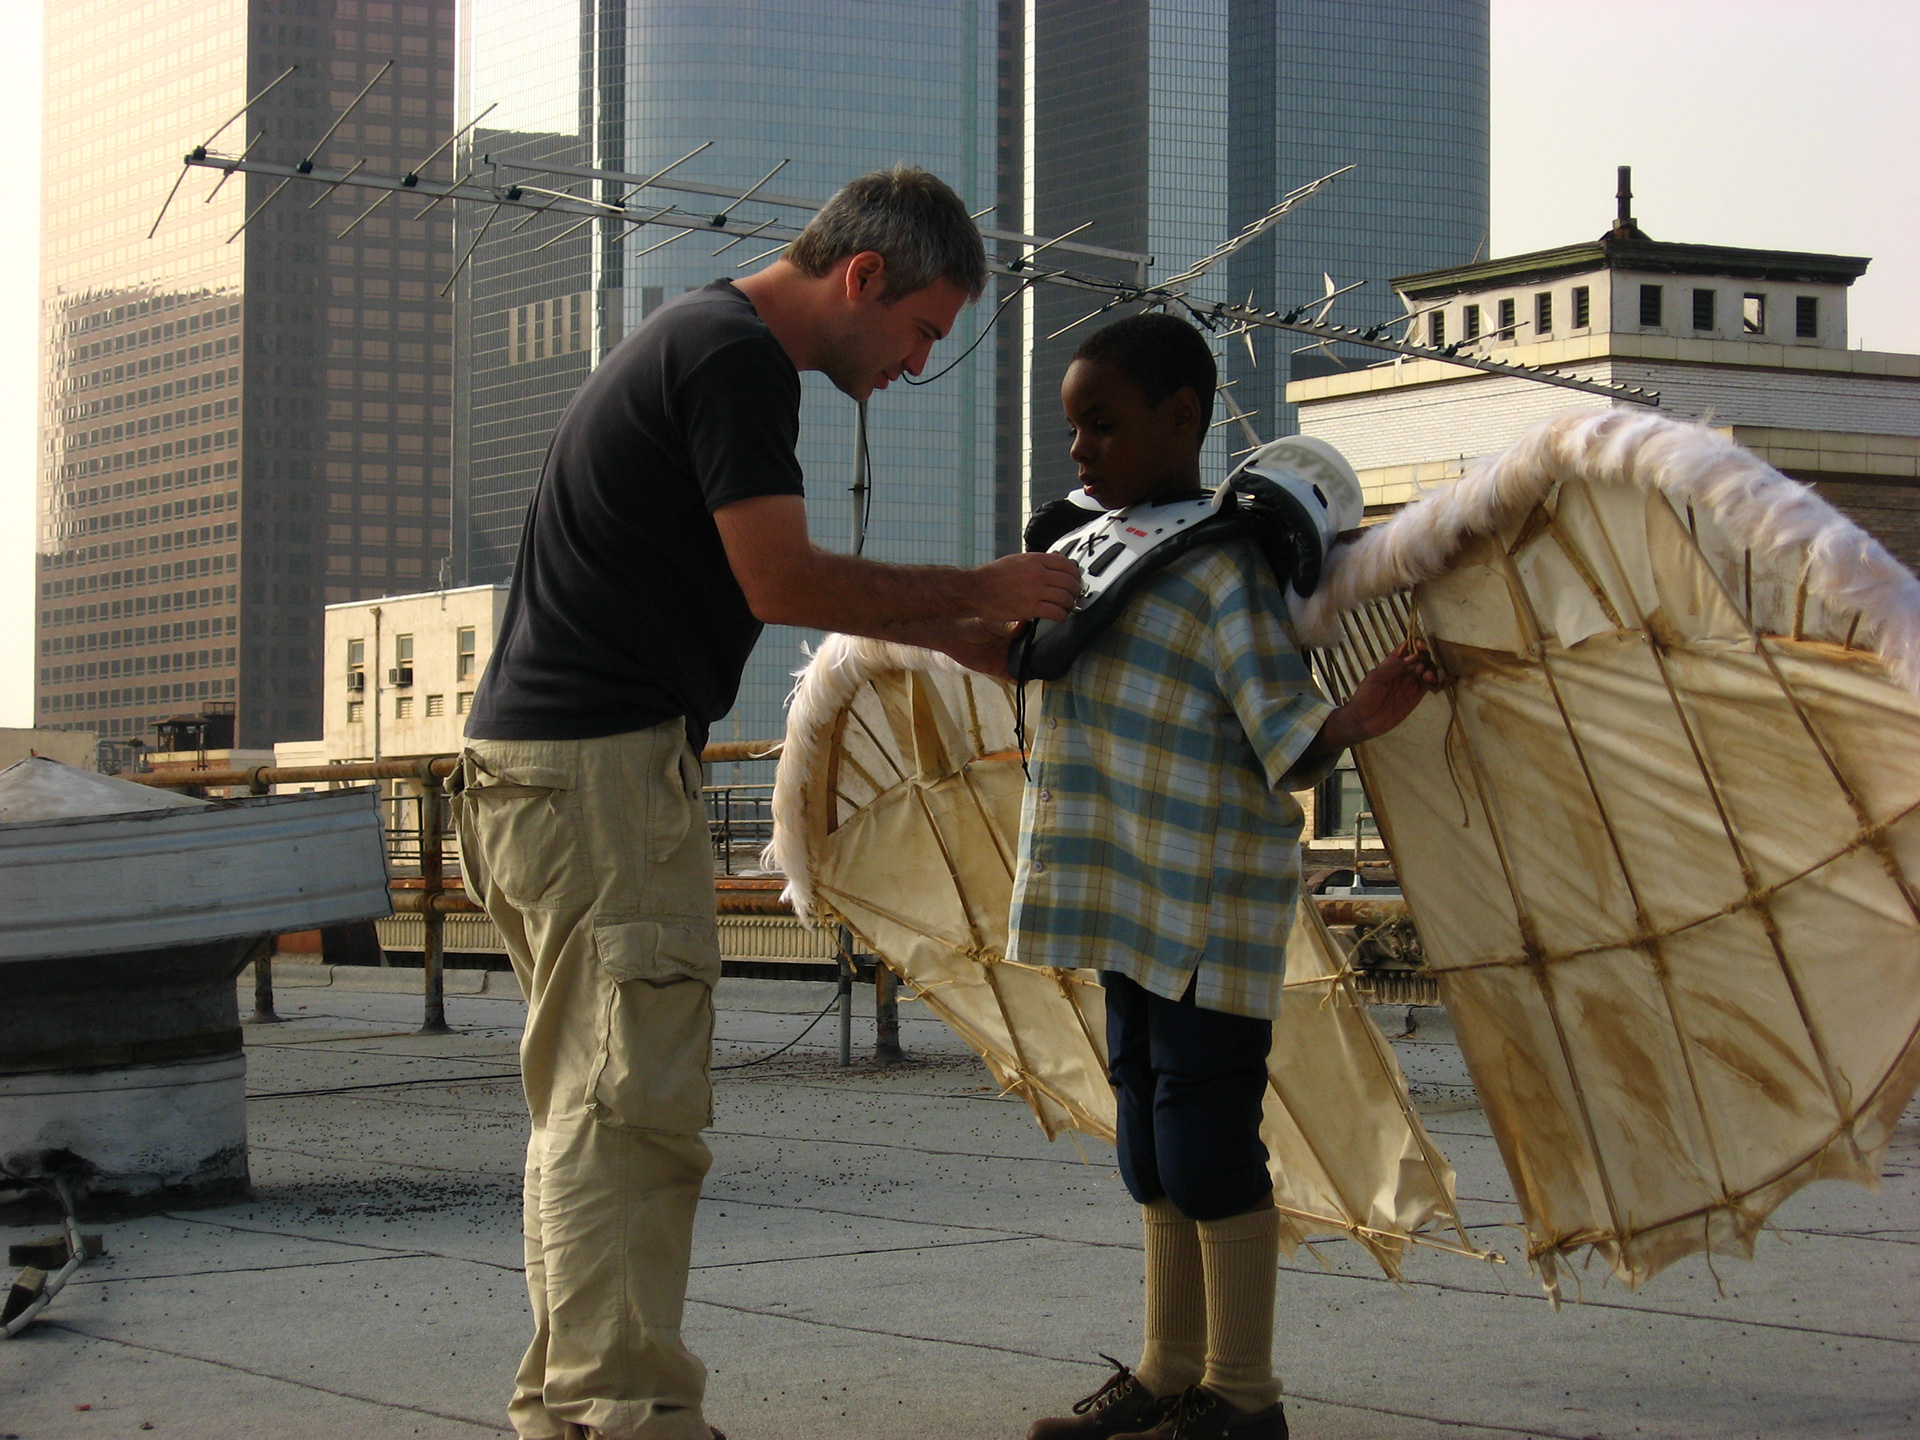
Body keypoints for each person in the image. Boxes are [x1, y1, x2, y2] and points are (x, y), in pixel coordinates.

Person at [453, 164, 1081, 1440]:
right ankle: (626, 1412)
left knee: (591, 1099)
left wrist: (965, 638)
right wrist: (980, 589)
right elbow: (781, 580)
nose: (918, 365)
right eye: (922, 331)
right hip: (600, 776)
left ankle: (574, 1406)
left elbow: (764, 582)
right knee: (632, 1105)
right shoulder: (737, 359)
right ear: (863, 277)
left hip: (544, 774)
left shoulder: (694, 335)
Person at [1010, 313, 1436, 1440]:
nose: (1080, 449)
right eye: (1073, 427)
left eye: (1103, 424)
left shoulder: (1225, 569)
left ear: (1182, 418)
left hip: (1200, 904)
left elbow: (1282, 728)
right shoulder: (1093, 550)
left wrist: (1359, 717)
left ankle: (1243, 1396)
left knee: (1206, 1141)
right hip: (1122, 896)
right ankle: (1168, 1372)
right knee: (1149, 1138)